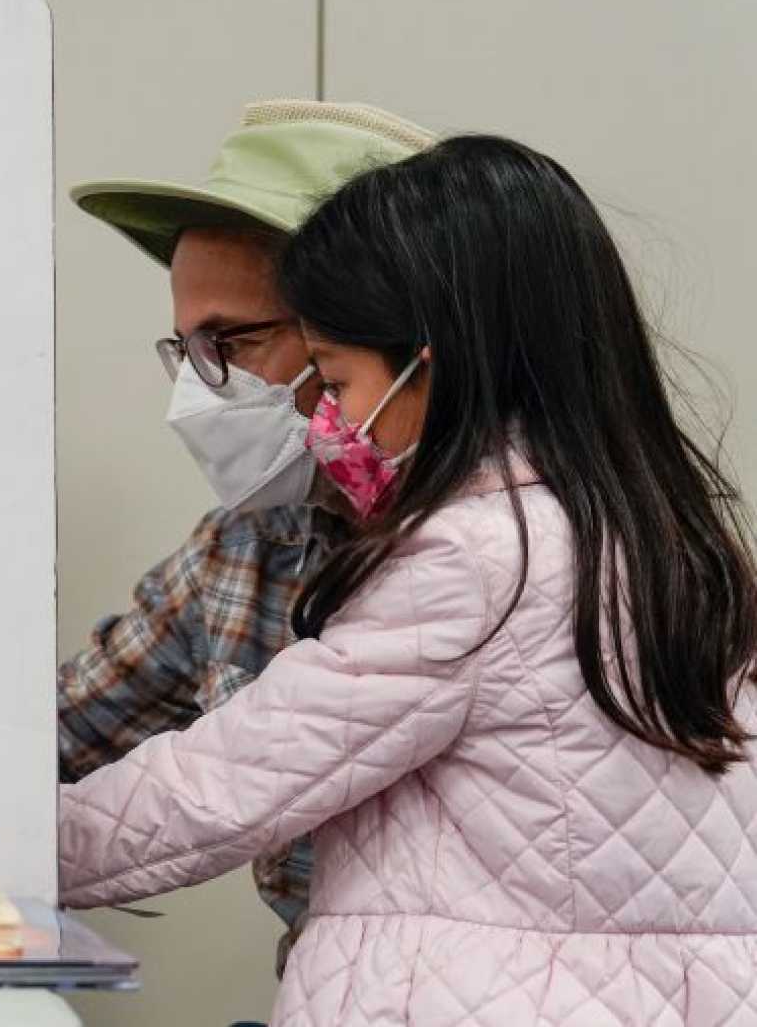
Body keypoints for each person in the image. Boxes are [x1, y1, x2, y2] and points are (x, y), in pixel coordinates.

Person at [58, 134, 757, 1024]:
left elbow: (209, 793)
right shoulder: (659, 536)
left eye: (338, 376)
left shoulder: (471, 560)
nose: (334, 422)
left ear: (425, 346)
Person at [58, 100, 435, 971]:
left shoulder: (509, 551)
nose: (204, 387)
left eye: (233, 341)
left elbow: (213, 795)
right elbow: (61, 734)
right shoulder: (246, 548)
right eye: (188, 349)